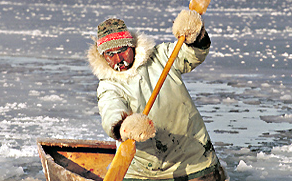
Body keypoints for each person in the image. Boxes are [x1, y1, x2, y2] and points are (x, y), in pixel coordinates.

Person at [88, 10, 227, 180]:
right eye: (110, 54)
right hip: (143, 172)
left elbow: (192, 55)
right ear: (103, 56)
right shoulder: (108, 85)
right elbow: (111, 110)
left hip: (195, 162)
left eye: (123, 50)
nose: (119, 59)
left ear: (132, 45)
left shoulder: (161, 57)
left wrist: (195, 36)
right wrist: (126, 126)